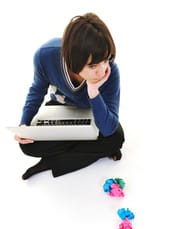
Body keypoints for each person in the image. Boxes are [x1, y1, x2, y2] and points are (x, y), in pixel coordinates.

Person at [14, 12, 125, 179]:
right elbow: (37, 91)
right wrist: (24, 124)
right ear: (73, 60)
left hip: (94, 112)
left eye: (105, 59)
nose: (102, 71)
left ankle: (52, 162)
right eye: (94, 65)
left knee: (115, 138)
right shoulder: (45, 56)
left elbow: (108, 128)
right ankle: (92, 150)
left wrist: (93, 91)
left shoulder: (111, 72)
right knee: (28, 145)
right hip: (62, 107)